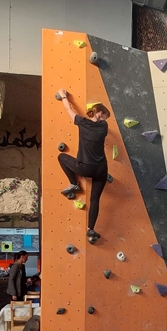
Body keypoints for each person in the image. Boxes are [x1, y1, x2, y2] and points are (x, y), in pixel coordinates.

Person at [56, 89, 110, 243]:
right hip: (101, 169)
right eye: (105, 116)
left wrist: (64, 95)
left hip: (85, 168)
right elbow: (97, 123)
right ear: (100, 113)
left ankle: (74, 184)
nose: (105, 119)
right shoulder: (104, 127)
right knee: (95, 200)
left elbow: (68, 109)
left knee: (61, 157)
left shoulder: (82, 123)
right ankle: (90, 228)